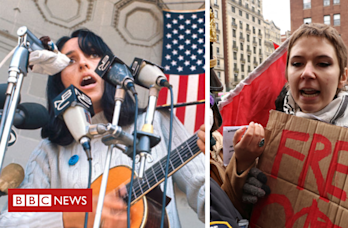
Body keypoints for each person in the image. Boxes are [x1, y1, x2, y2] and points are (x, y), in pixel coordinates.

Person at [0, 29, 205, 228]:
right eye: (70, 60)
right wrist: (73, 215)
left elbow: (203, 188)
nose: (83, 63)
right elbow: (10, 219)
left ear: (111, 68)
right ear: (59, 82)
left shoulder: (155, 120)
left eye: (94, 54)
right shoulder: (49, 151)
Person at [221, 23, 348, 220]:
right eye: (297, 64)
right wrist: (242, 169)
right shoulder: (268, 136)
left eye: (323, 64)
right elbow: (228, 209)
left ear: (342, 76)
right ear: (287, 75)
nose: (307, 73)